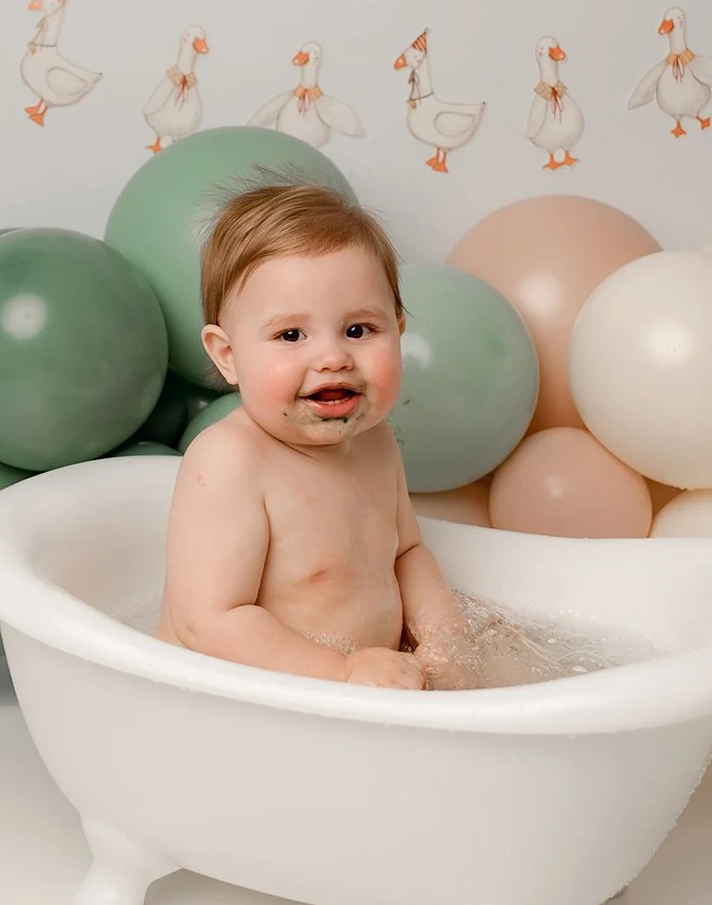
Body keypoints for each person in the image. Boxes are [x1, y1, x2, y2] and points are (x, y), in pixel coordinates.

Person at [154, 179, 475, 689]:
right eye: (290, 335)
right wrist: (341, 671)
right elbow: (209, 622)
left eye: (357, 330)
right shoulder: (230, 461)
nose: (332, 358)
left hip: (355, 690)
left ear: (397, 329)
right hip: (244, 701)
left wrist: (446, 644)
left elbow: (407, 554)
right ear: (228, 355)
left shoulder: (375, 439)